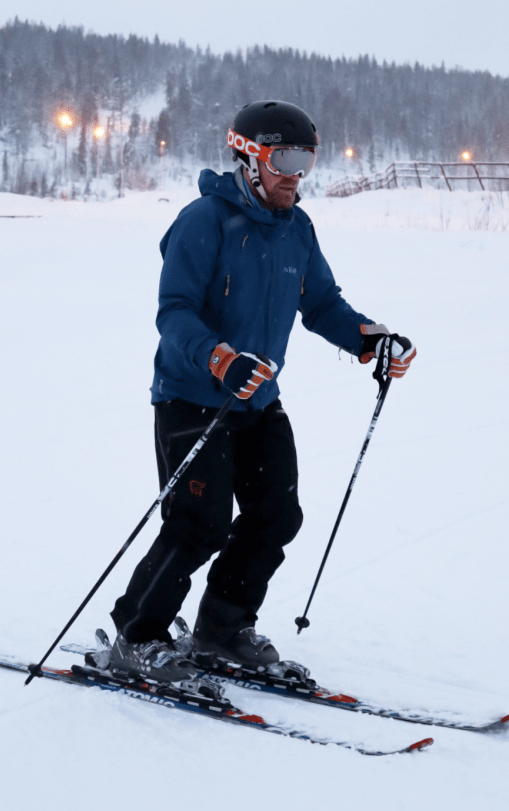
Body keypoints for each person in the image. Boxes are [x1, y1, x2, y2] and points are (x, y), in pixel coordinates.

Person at [106, 100, 416, 683]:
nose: (296, 174)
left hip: (257, 400)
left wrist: (369, 339)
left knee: (277, 515)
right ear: (249, 157)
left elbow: (321, 303)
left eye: (307, 159)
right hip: (191, 398)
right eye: (284, 159)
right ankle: (136, 637)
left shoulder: (297, 227)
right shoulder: (204, 220)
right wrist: (219, 357)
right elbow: (173, 313)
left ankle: (222, 627)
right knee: (198, 524)